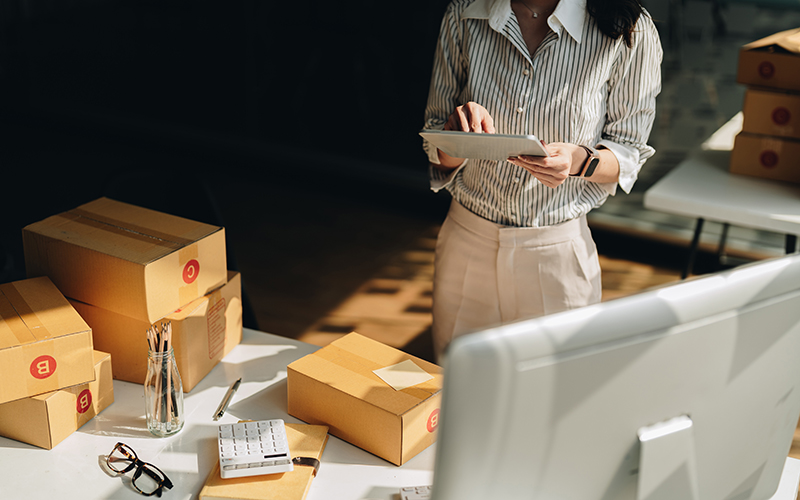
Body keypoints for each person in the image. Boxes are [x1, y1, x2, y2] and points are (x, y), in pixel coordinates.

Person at [422, 0, 662, 359]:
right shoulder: (465, 12)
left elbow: (628, 152)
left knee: (556, 401)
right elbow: (435, 143)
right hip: (466, 245)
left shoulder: (632, 28)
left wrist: (577, 161)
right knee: (457, 396)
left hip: (557, 255)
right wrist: (458, 135)